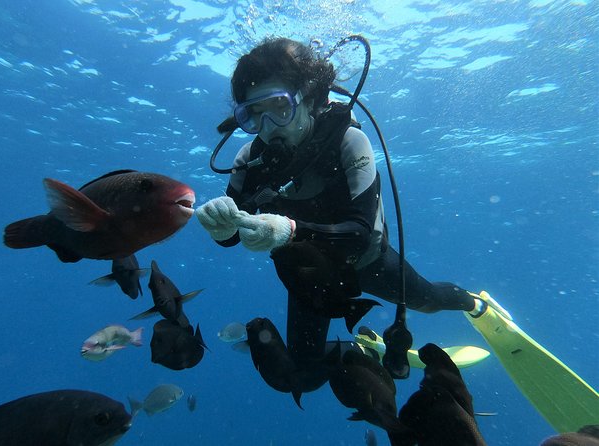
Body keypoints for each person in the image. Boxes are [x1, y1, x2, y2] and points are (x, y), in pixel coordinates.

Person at [196, 37, 486, 389]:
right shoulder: (248, 160)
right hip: (307, 276)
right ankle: (365, 352)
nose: (268, 125)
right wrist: (219, 224)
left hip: (368, 262)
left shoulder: (349, 141)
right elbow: (230, 236)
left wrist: (289, 230)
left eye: (278, 106)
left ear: (310, 98)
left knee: (428, 300)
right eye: (252, 115)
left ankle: (474, 304)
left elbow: (360, 232)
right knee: (301, 373)